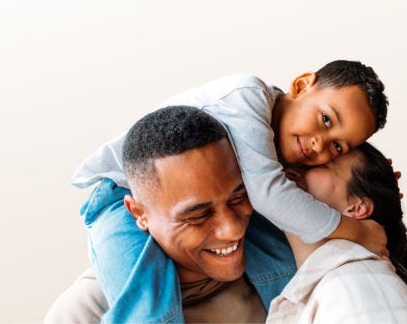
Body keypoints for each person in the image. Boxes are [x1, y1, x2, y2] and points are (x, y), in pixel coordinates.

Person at [70, 60, 389, 322]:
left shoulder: (290, 142)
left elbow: (291, 192)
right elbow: (271, 195)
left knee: (287, 268)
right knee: (148, 308)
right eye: (325, 119)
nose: (320, 143)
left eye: (337, 146)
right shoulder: (247, 99)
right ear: (302, 85)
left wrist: (380, 183)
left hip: (217, 203)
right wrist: (357, 231)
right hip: (123, 193)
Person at [46, 106, 296, 323]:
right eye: (198, 215)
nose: (232, 228)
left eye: (238, 198)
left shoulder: (287, 267)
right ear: (139, 214)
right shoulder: (85, 312)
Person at [266, 142, 407, 323]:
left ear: (357, 208)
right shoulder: (331, 286)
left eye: (321, 165)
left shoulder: (357, 285)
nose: (292, 169)